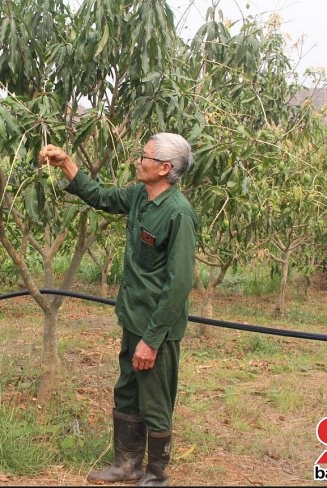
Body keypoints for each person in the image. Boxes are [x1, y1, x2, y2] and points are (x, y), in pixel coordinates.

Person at [39, 133, 197, 487]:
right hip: (133, 316)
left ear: (164, 168)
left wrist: (152, 341)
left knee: (155, 400)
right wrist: (65, 162)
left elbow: (178, 284)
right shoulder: (141, 196)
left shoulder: (178, 214)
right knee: (127, 389)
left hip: (156, 326)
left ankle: (156, 476)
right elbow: (100, 197)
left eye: (145, 156)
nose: (138, 161)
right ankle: (126, 466)